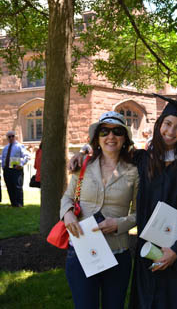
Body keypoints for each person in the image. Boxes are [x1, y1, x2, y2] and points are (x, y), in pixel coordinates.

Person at [129, 95, 177, 308]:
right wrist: (83, 153)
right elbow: (108, 154)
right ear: (159, 124)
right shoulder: (143, 160)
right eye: (168, 124)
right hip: (148, 249)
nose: (171, 132)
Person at [62, 111, 138, 309]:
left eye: (117, 131)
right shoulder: (83, 164)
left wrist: (119, 224)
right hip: (81, 250)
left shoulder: (135, 171)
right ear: (97, 137)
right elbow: (67, 197)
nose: (110, 136)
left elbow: (140, 213)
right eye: (104, 131)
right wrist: (67, 213)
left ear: (125, 138)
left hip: (117, 252)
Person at [1, 130, 30, 207]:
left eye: (12, 136)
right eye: (9, 137)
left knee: (17, 187)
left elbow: (27, 156)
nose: (11, 138)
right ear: (7, 138)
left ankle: (19, 204)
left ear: (15, 137)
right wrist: (3, 166)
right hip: (7, 170)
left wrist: (21, 164)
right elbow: (3, 158)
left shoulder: (20, 146)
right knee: (9, 186)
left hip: (16, 169)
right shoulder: (5, 148)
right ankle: (13, 203)